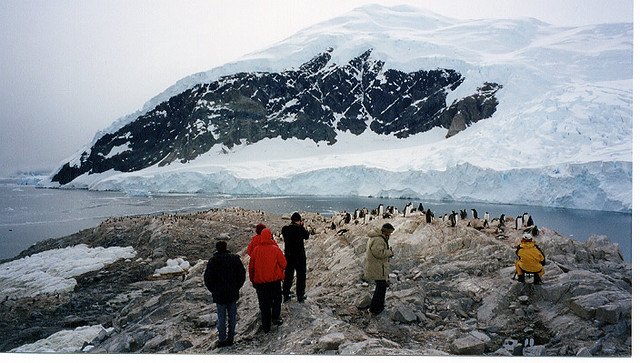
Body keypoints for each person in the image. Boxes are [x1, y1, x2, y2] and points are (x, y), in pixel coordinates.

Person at [203, 240, 246, 347]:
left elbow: (208, 278)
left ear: (217, 248)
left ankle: (222, 339)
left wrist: (213, 289)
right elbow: (242, 274)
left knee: (221, 317)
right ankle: (231, 338)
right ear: (226, 247)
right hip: (232, 292)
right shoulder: (234, 259)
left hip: (219, 294)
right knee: (232, 317)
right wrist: (237, 286)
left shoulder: (213, 261)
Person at [249, 227, 287, 333]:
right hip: (274, 282)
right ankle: (275, 318)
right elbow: (284, 264)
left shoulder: (256, 250)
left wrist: (253, 280)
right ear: (270, 236)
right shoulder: (275, 249)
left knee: (264, 304)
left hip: (261, 283)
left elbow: (251, 267)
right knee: (276, 300)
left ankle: (266, 325)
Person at [364, 223, 395, 315]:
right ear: (385, 231)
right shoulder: (379, 239)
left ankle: (376, 307)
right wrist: (389, 252)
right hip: (378, 267)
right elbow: (378, 253)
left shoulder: (378, 237)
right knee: (381, 287)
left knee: (380, 286)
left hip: (377, 266)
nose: (390, 234)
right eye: (390, 232)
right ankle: (376, 309)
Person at [281, 212, 310, 302]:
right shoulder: (299, 229)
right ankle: (300, 294)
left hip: (289, 256)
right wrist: (301, 226)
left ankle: (286, 293)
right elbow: (306, 236)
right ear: (298, 221)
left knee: (288, 275)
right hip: (299, 257)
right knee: (301, 275)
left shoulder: (285, 229)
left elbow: (286, 233)